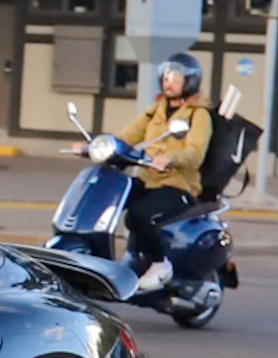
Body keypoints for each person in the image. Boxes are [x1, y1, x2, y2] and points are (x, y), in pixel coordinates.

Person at [81, 53, 212, 294]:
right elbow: (128, 134)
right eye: (166, 76)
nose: (168, 82)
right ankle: (98, 260)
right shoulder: (156, 109)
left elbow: (195, 154)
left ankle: (160, 264)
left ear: (190, 81)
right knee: (107, 195)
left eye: (175, 77)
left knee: (139, 216)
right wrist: (97, 145)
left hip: (178, 185)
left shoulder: (198, 115)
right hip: (148, 179)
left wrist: (169, 158)